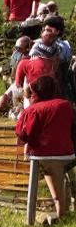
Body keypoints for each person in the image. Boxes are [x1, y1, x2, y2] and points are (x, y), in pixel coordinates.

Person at [15, 77, 75, 219]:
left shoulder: (32, 109)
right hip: (65, 152)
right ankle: (61, 209)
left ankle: (60, 210)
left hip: (39, 153)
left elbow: (23, 133)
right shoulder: (66, 105)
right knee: (57, 173)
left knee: (49, 171)